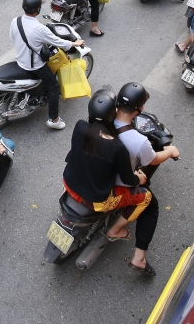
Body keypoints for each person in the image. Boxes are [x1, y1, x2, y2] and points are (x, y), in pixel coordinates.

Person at [61, 89, 155, 275]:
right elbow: (128, 179)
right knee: (146, 198)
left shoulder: (80, 126)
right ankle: (116, 230)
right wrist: (140, 178)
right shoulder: (116, 147)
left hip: (68, 184)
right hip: (96, 200)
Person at [111, 83, 180, 273]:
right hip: (117, 184)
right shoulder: (138, 141)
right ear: (140, 108)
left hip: (96, 172)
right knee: (151, 205)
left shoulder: (102, 119)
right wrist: (171, 150)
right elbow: (154, 159)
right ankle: (138, 257)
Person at [10, 0, 85, 130]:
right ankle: (54, 119)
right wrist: (75, 43)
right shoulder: (40, 29)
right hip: (34, 66)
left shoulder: (16, 21)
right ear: (37, 10)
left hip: (20, 60)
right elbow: (59, 42)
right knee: (53, 86)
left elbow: (13, 38)